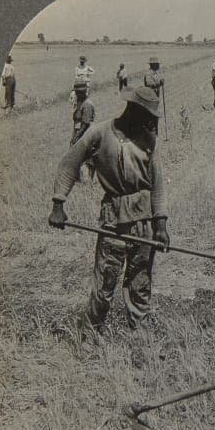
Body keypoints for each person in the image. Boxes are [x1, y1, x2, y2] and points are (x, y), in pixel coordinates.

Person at [47, 86, 169, 332]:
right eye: (148, 117)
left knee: (140, 282)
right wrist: (59, 203)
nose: (151, 123)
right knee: (105, 280)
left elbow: (157, 184)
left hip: (143, 222)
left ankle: (139, 334)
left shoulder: (149, 140)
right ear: (134, 110)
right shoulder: (99, 133)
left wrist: (161, 226)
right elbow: (70, 163)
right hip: (113, 220)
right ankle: (91, 333)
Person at [143, 56, 165, 134]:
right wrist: (159, 83)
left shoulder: (154, 73)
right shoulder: (148, 74)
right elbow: (149, 84)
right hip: (150, 98)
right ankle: (151, 131)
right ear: (153, 65)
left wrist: (160, 82)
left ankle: (154, 131)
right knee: (151, 115)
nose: (159, 66)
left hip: (154, 97)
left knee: (154, 115)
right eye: (157, 64)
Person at [71, 81, 95, 146]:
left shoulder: (87, 104)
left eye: (76, 93)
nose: (75, 94)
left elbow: (85, 124)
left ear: (82, 93)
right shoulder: (80, 102)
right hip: (79, 132)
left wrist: (76, 137)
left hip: (85, 134)